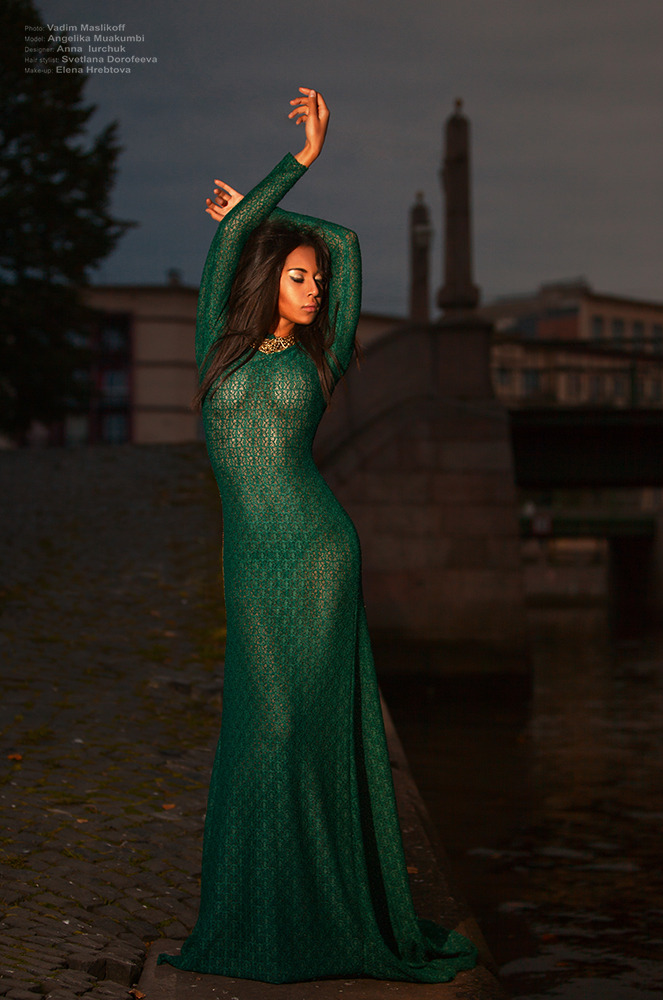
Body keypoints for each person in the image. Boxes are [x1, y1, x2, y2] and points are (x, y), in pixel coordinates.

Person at [158, 88, 477, 984]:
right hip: (250, 562)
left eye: (314, 283)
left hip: (316, 552)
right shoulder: (215, 348)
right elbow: (232, 248)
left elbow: (347, 244)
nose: (313, 287)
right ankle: (261, 910)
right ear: (266, 280)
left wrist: (300, 173)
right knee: (262, 731)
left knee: (302, 727)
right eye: (295, 277)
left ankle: (325, 912)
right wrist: (256, 213)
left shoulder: (318, 355)